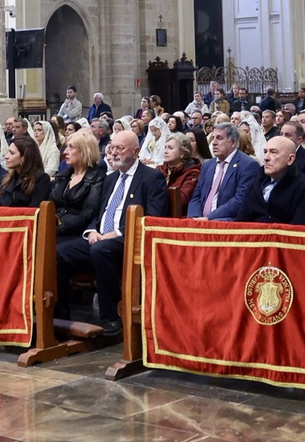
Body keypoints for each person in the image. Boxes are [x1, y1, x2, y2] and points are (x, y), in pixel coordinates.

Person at [54, 130, 167, 334]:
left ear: (135, 151)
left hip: (129, 239)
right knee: (59, 252)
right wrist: (91, 231)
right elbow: (98, 214)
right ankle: (60, 319)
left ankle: (112, 317)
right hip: (99, 238)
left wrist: (116, 234)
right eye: (112, 148)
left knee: (101, 250)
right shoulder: (110, 179)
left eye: (120, 149)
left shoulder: (152, 178)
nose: (114, 153)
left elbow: (153, 218)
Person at [236, 136, 305, 226]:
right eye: (265, 152)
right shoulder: (256, 181)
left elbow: (300, 229)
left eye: (273, 152)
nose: (266, 158)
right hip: (252, 237)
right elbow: (241, 221)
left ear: (290, 159)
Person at [186, 122, 259, 220]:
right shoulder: (207, 165)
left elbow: (240, 200)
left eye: (219, 138)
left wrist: (208, 218)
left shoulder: (248, 165)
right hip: (201, 222)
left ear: (233, 142)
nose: (214, 142)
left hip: (226, 224)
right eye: (213, 138)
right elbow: (196, 196)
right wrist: (194, 217)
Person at [50, 130, 107, 237]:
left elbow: (88, 214)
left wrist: (57, 229)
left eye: (71, 147)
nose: (65, 152)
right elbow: (50, 204)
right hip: (54, 228)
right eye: (66, 147)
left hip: (77, 232)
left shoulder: (98, 177)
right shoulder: (62, 176)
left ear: (85, 151)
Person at [0, 136, 52, 208]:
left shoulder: (41, 179)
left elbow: (35, 209)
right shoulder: (8, 178)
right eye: (8, 152)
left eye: (12, 153)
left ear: (23, 158)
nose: (6, 156)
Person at [159, 133, 200, 206]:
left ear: (183, 153)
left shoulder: (192, 172)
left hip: (178, 213)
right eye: (165, 147)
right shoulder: (160, 169)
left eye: (170, 148)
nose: (165, 151)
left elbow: (182, 199)